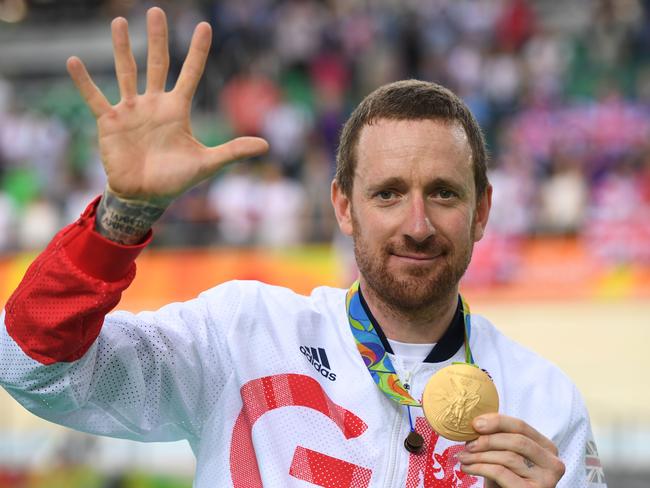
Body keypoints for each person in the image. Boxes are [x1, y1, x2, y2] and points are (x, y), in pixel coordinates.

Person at [0, 7, 605, 488]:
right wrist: (120, 218)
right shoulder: (241, 335)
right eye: (388, 194)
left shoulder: (544, 401)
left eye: (443, 194)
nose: (417, 224)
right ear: (342, 206)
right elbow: (30, 367)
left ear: (484, 211)